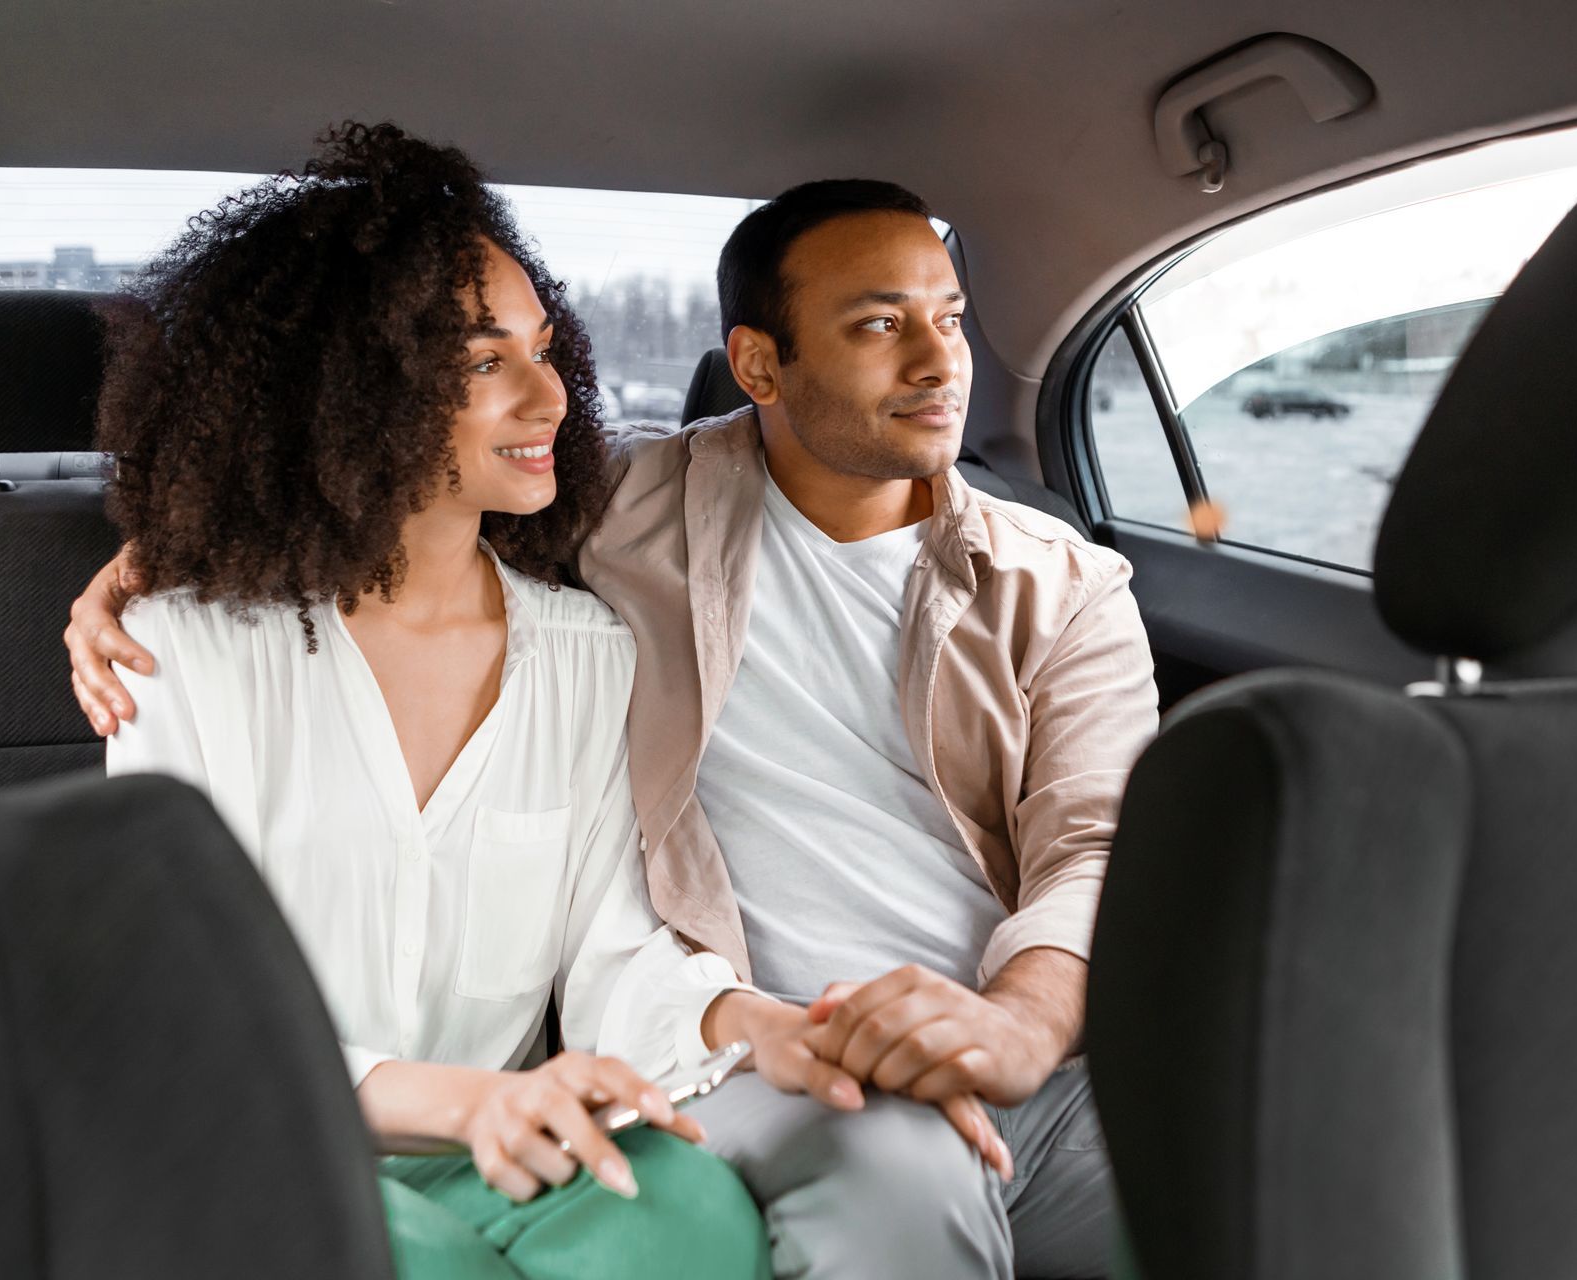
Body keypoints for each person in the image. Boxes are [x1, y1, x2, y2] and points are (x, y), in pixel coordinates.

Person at [72, 174, 1159, 1277]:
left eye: (951, 318)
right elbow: (165, 1003)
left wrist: (980, 1027)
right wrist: (164, 561)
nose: (939, 361)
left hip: (980, 1060)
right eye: (881, 322)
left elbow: (1094, 849)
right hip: (303, 1130)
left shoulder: (1059, 586)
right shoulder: (632, 505)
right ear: (758, 364)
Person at [95, 122, 768, 1280]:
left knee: (690, 1203)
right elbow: (184, 1014)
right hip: (256, 1146)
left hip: (494, 1150)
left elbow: (615, 954)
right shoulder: (178, 651)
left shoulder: (589, 651)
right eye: (480, 359)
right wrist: (463, 1103)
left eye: (545, 346)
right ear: (351, 390)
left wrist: (758, 1027)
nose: (549, 390)